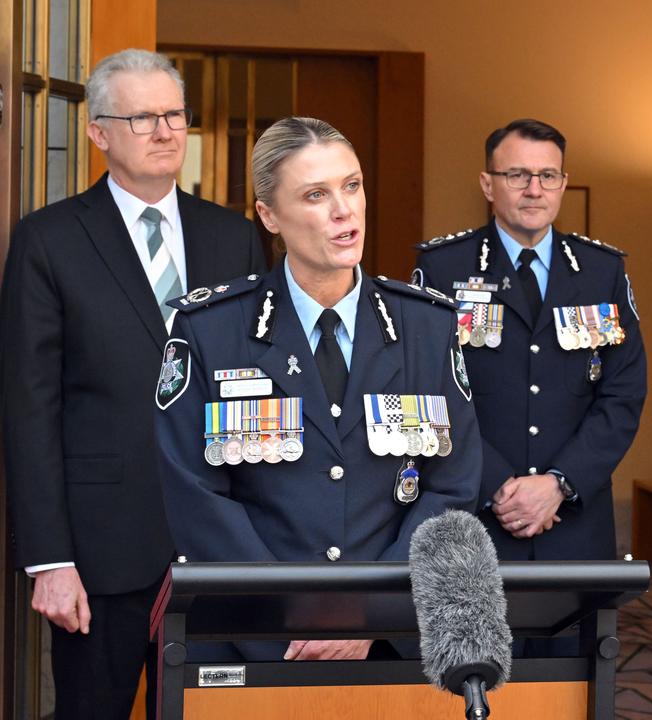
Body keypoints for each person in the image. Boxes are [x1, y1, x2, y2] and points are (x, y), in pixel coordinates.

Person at [154, 116, 481, 661]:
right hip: (251, 641)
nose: (343, 210)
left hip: (390, 641)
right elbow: (196, 496)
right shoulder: (210, 329)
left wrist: (368, 614)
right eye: (315, 194)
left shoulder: (428, 325)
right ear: (269, 215)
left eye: (351, 186)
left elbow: (452, 489)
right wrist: (291, 618)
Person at [0, 49, 265, 719]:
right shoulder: (49, 240)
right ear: (99, 133)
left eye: (174, 114)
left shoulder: (233, 237)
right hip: (99, 548)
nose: (164, 130)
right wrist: (48, 559)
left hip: (218, 543)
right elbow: (29, 406)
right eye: (142, 116)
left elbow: (258, 388)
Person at [412, 118, 646, 562]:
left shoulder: (602, 272)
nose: (534, 189)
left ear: (563, 184)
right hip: (473, 518)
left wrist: (559, 482)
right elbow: (426, 391)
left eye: (547, 176)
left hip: (573, 518)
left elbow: (624, 392)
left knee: (574, 632)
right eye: (517, 175)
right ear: (487, 184)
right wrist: (499, 485)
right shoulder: (443, 268)